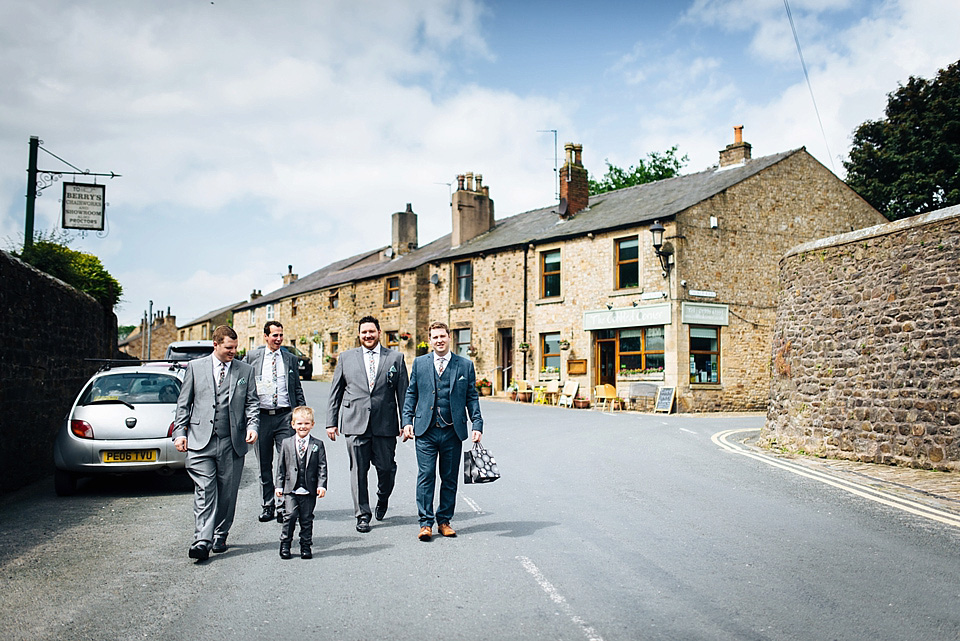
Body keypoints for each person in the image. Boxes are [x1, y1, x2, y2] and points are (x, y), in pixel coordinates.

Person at [173, 325, 258, 561]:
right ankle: (202, 539)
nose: (233, 352)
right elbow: (184, 404)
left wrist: (252, 427)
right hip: (200, 441)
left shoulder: (245, 370)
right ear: (216, 344)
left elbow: (252, 403)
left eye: (235, 348)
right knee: (205, 490)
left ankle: (221, 533)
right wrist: (180, 432)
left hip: (232, 442)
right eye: (228, 348)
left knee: (227, 492)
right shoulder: (195, 368)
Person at [325, 316, 409, 533]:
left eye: (371, 331)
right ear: (359, 334)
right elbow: (335, 393)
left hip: (385, 424)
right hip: (355, 423)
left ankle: (383, 497)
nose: (368, 336)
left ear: (379, 332)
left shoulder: (395, 358)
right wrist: (330, 422)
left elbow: (404, 393)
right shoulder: (345, 358)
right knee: (358, 472)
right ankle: (362, 515)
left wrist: (406, 422)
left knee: (387, 468)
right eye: (364, 332)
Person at [401, 321, 483, 541]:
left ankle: (444, 521)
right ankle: (425, 523)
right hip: (425, 430)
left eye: (442, 336)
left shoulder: (464, 365)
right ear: (430, 340)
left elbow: (471, 397)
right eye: (435, 337)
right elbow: (411, 393)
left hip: (452, 431)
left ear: (449, 338)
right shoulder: (420, 363)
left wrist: (477, 424)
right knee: (426, 476)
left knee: (449, 478)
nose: (439, 340)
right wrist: (406, 420)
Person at [244, 321, 306, 523]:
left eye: (281, 335)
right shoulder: (253, 357)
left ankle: (283, 506)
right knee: (264, 464)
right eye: (274, 335)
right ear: (265, 336)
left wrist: (301, 415)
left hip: (284, 417)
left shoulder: (290, 359)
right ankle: (267, 505)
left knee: (287, 463)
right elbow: (243, 386)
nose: (278, 339)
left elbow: (297, 388)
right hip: (261, 417)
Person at [275, 406, 327, 559]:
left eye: (306, 423)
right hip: (290, 489)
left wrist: (321, 485)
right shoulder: (286, 443)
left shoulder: (317, 444)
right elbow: (281, 467)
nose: (302, 427)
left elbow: (322, 466)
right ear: (293, 425)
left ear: (312, 424)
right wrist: (279, 485)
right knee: (289, 516)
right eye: (299, 424)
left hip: (309, 489)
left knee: (306, 519)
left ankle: (306, 546)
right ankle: (285, 544)